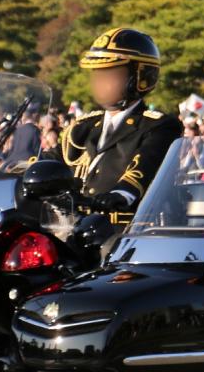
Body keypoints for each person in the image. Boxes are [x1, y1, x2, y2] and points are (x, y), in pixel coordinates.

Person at [47, 28, 182, 226]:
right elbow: (51, 161)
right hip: (73, 227)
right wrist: (12, 173)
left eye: (110, 74)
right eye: (97, 74)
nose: (99, 82)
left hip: (124, 232)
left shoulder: (159, 126)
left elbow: (144, 168)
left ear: (141, 77)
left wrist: (121, 194)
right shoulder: (83, 127)